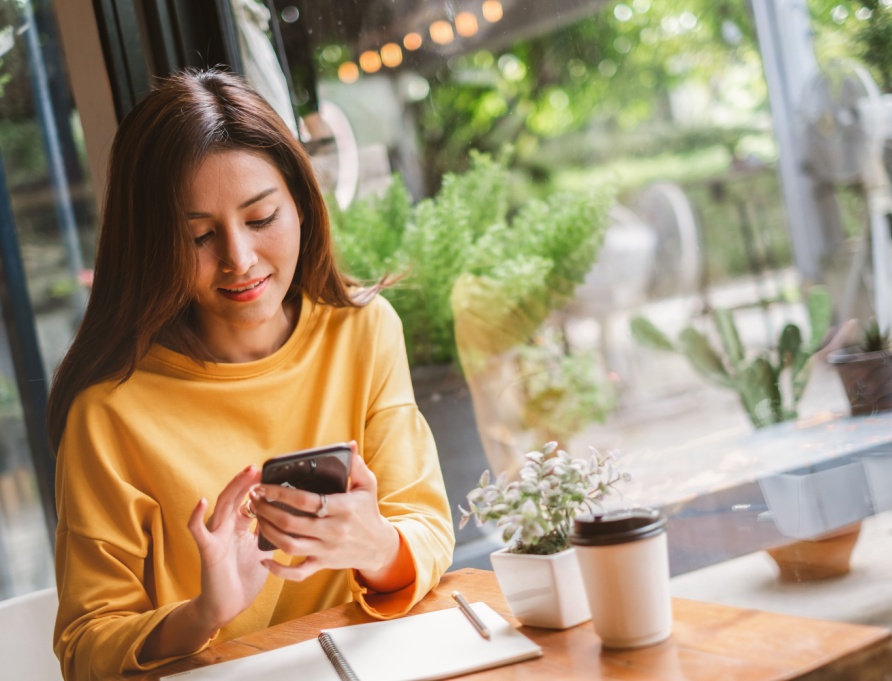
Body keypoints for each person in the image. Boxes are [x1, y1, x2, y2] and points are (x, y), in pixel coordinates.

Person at [47, 68, 455, 680]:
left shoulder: (363, 333)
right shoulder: (110, 412)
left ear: (300, 203)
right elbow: (85, 645)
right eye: (200, 236)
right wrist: (203, 613)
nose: (239, 260)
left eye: (261, 218)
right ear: (151, 244)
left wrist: (375, 546)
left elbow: (423, 524)